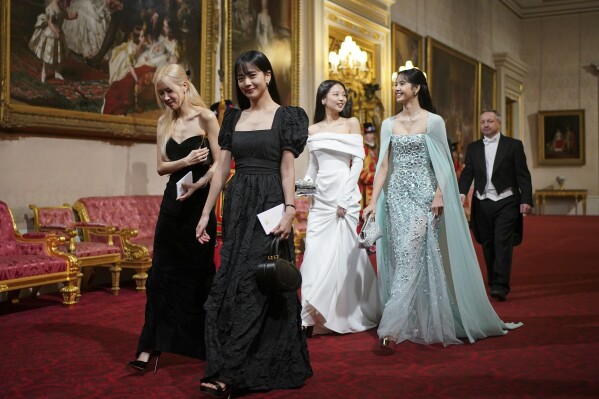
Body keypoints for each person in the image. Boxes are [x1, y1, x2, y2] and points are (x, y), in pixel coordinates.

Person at [362, 68, 522, 350]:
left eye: (402, 84)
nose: (397, 88)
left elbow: (444, 164)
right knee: (402, 256)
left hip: (425, 196)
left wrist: (439, 194)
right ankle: (414, 316)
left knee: (411, 251)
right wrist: (374, 201)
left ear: (417, 88)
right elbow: (384, 166)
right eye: (395, 84)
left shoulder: (434, 122)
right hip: (396, 198)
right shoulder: (388, 124)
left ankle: (391, 327)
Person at [195, 50, 312, 397]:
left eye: (253, 75)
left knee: (255, 283)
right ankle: (245, 362)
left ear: (268, 75)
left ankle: (228, 372)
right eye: (241, 78)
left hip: (272, 204)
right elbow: (221, 169)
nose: (247, 83)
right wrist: (205, 213)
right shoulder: (232, 118)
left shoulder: (288, 117)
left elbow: (287, 168)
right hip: (239, 205)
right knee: (229, 283)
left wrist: (290, 209)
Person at [128, 63, 221, 372]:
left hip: (199, 208)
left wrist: (199, 181)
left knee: (198, 277)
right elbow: (161, 167)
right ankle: (149, 348)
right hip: (172, 206)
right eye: (160, 93)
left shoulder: (207, 118)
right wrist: (186, 159)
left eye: (169, 90)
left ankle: (206, 345)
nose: (165, 97)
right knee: (159, 278)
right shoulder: (163, 123)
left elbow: (222, 167)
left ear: (184, 85)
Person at [300, 80, 379, 336]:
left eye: (343, 94)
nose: (341, 98)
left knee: (342, 255)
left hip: (343, 197)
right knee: (313, 252)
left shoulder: (351, 123)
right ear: (323, 98)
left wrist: (345, 197)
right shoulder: (312, 129)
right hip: (320, 201)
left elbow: (357, 162)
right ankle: (310, 314)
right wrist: (305, 191)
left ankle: (343, 310)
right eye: (336, 94)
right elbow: (313, 165)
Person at [458, 110, 533, 302]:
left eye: (490, 121)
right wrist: (460, 193)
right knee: (487, 243)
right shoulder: (474, 148)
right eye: (482, 121)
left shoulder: (513, 146)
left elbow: (522, 175)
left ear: (498, 123)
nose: (486, 124)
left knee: (502, 242)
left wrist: (526, 199)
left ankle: (501, 286)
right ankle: (493, 280)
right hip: (482, 202)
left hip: (507, 201)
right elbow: (468, 174)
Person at [28, 0, 78, 82]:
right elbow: (50, 23)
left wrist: (73, 16)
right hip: (51, 35)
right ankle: (44, 72)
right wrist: (55, 32)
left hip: (59, 34)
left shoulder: (61, 5)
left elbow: (66, 15)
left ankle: (57, 72)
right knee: (47, 55)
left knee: (59, 55)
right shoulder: (50, 8)